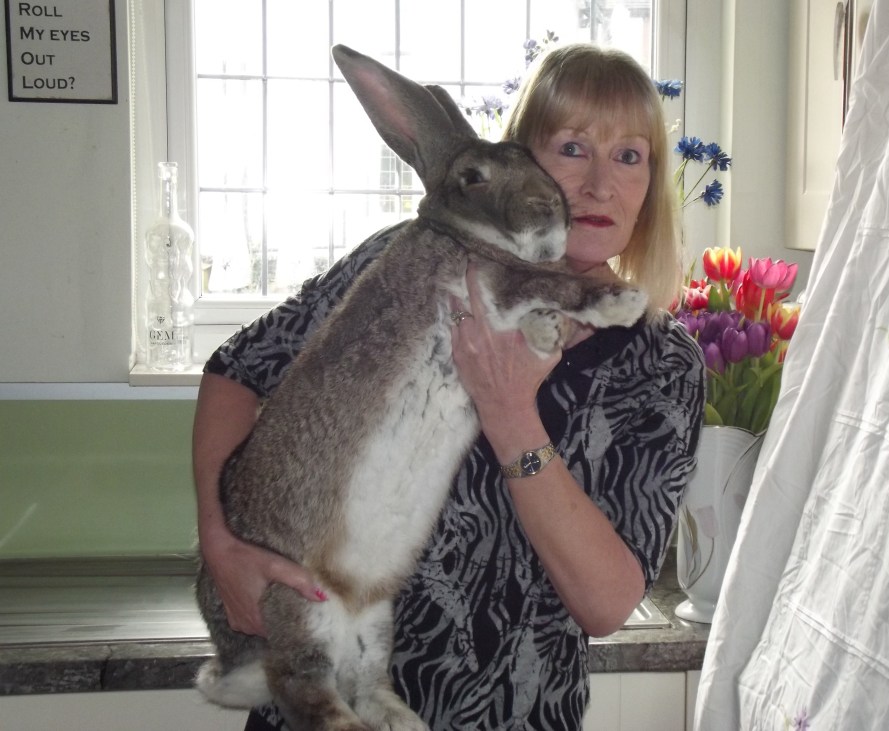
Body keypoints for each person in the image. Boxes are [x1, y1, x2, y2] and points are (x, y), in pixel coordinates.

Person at [193, 43, 705, 730]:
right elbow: (235, 367)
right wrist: (220, 541)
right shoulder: (406, 258)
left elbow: (607, 601)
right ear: (519, 158)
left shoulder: (662, 360)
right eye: (573, 147)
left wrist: (510, 412)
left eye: (629, 156)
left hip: (511, 711)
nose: (600, 185)